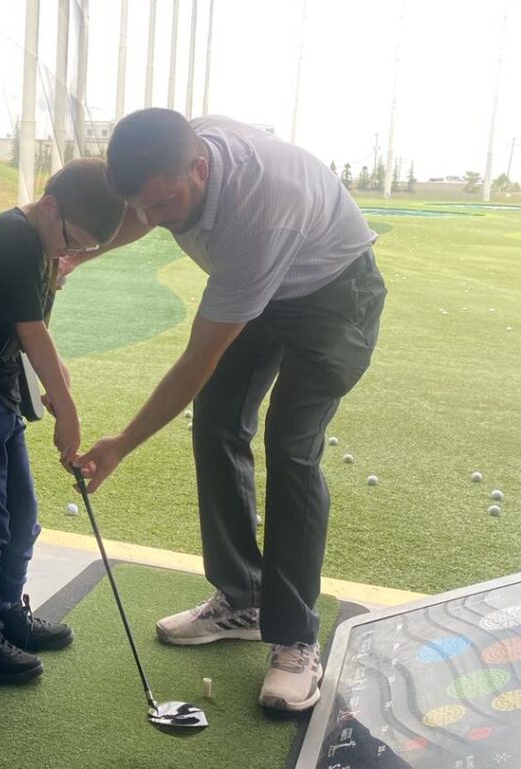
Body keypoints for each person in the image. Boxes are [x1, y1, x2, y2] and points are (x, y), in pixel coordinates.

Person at [71, 109, 386, 711]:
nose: (154, 219)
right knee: (218, 423)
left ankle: (296, 638)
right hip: (268, 283)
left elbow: (198, 360)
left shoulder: (256, 213)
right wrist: (85, 253)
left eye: (165, 204)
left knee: (290, 448)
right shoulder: (177, 162)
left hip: (334, 293)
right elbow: (143, 211)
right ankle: (242, 598)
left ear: (200, 167)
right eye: (144, 207)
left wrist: (122, 443)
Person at [0, 158, 124, 683]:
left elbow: (40, 336)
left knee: (22, 518)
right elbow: (32, 334)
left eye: (81, 250)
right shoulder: (12, 236)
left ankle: (8, 613)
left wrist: (59, 392)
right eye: (72, 240)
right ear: (51, 206)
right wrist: (69, 412)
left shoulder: (41, 245)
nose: (70, 253)